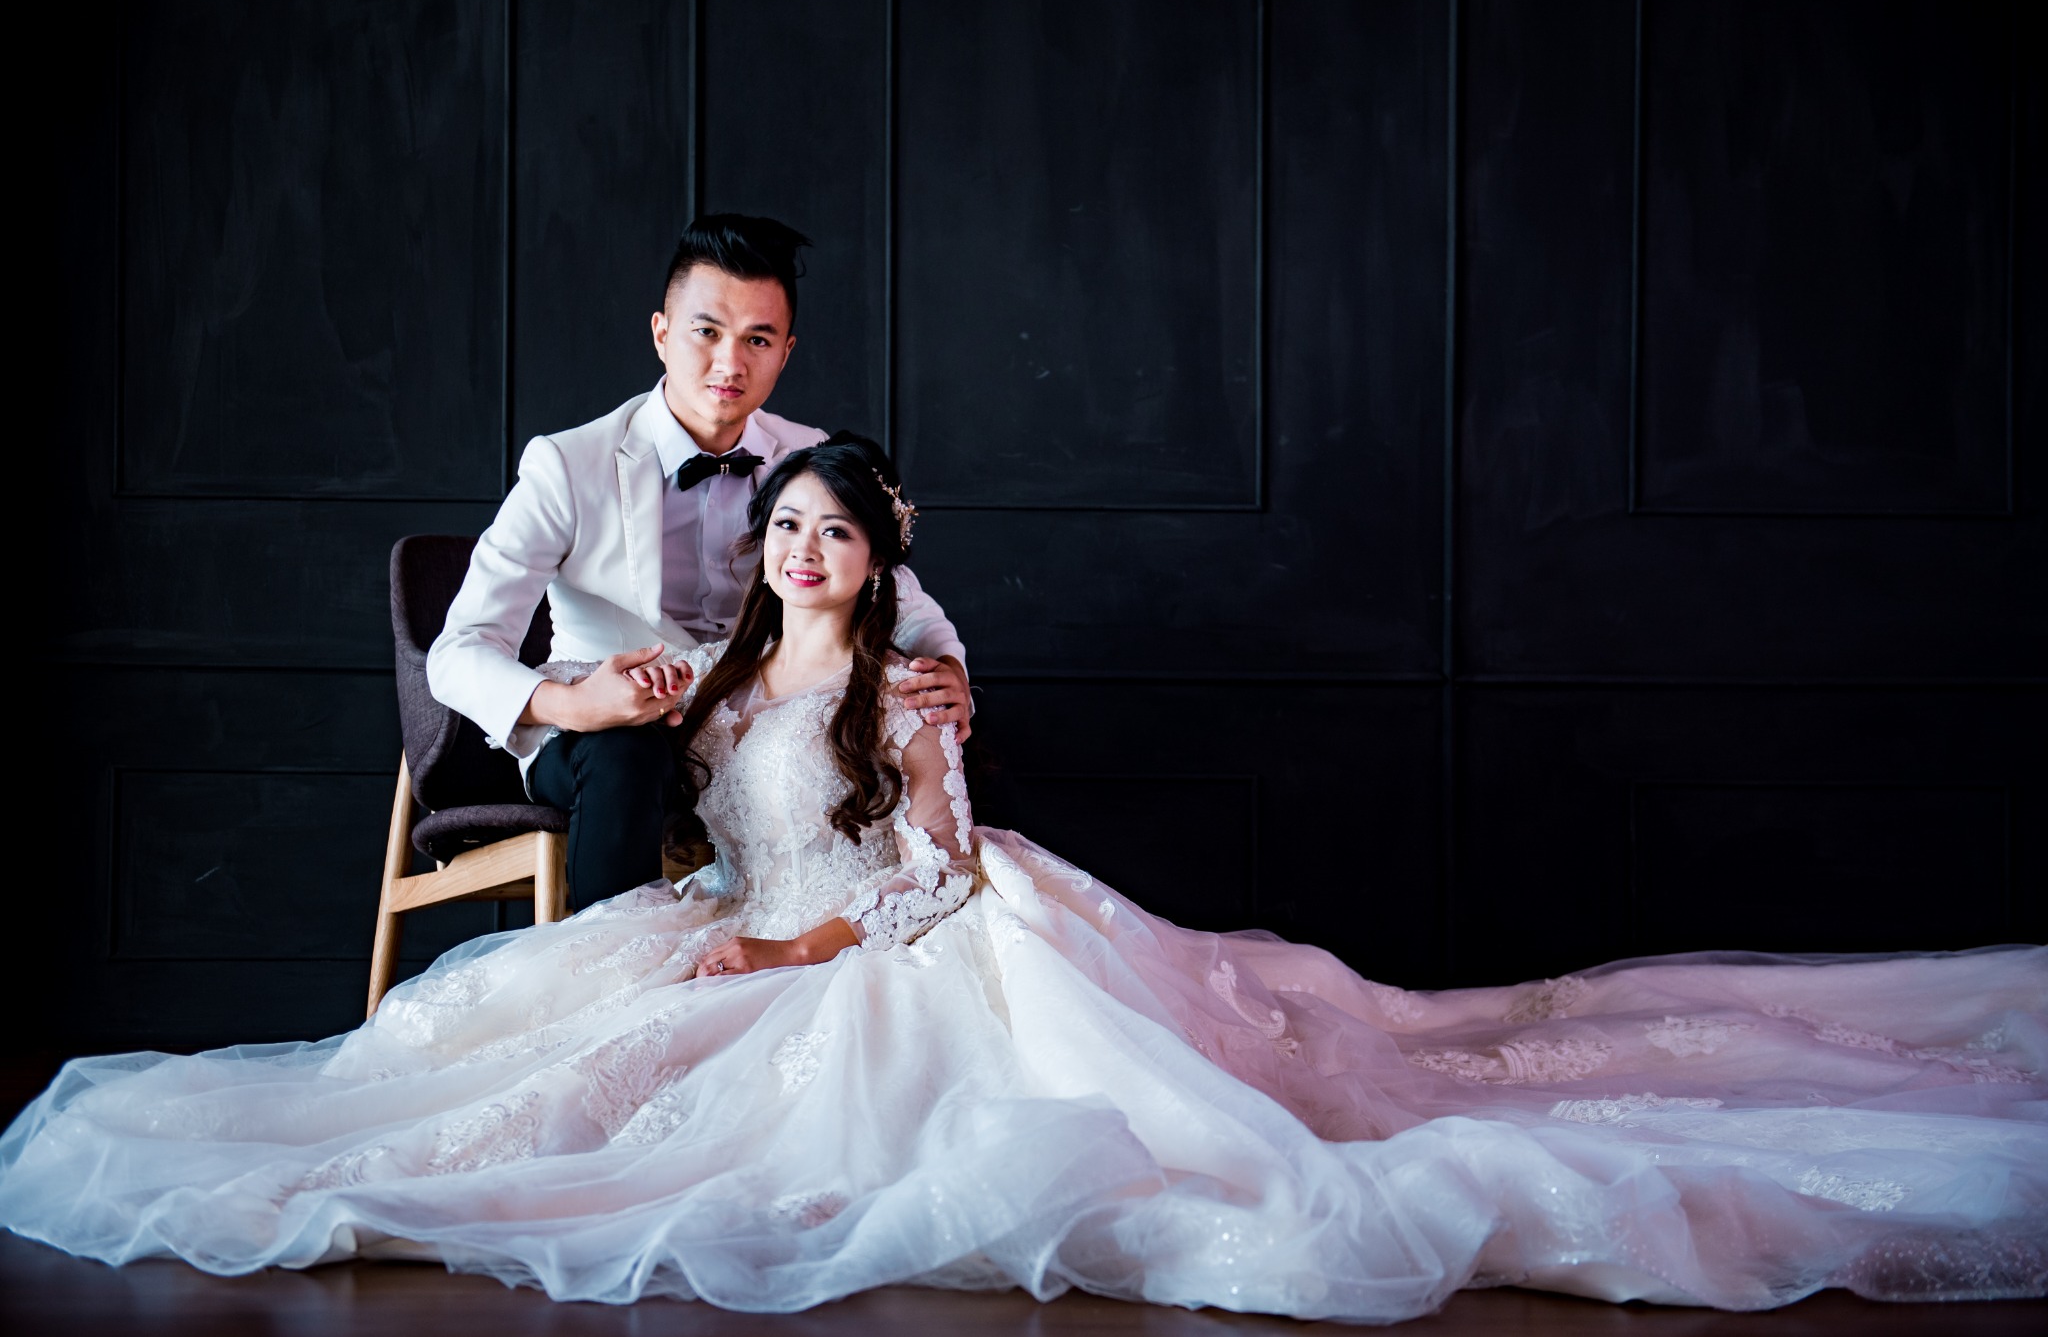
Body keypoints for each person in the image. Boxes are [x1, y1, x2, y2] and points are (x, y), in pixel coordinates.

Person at [1, 439, 2043, 1321]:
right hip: (755, 916)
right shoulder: (726, 666)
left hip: (912, 935)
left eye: (830, 532)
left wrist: (807, 936)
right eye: (783, 531)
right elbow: (684, 785)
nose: (800, 551)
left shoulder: (906, 675)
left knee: (1226, 1108)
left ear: (876, 554)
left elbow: (938, 863)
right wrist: (698, 875)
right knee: (505, 1071)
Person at [426, 213, 972, 911]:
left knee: (905, 738)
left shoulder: (808, 454)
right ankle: (613, 965)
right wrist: (575, 704)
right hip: (607, 732)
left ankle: (877, 932)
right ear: (661, 333)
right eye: (706, 332)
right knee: (628, 751)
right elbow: (458, 651)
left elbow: (897, 592)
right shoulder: (568, 464)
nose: (730, 364)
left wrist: (947, 671)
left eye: (758, 340)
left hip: (748, 726)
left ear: (786, 352)